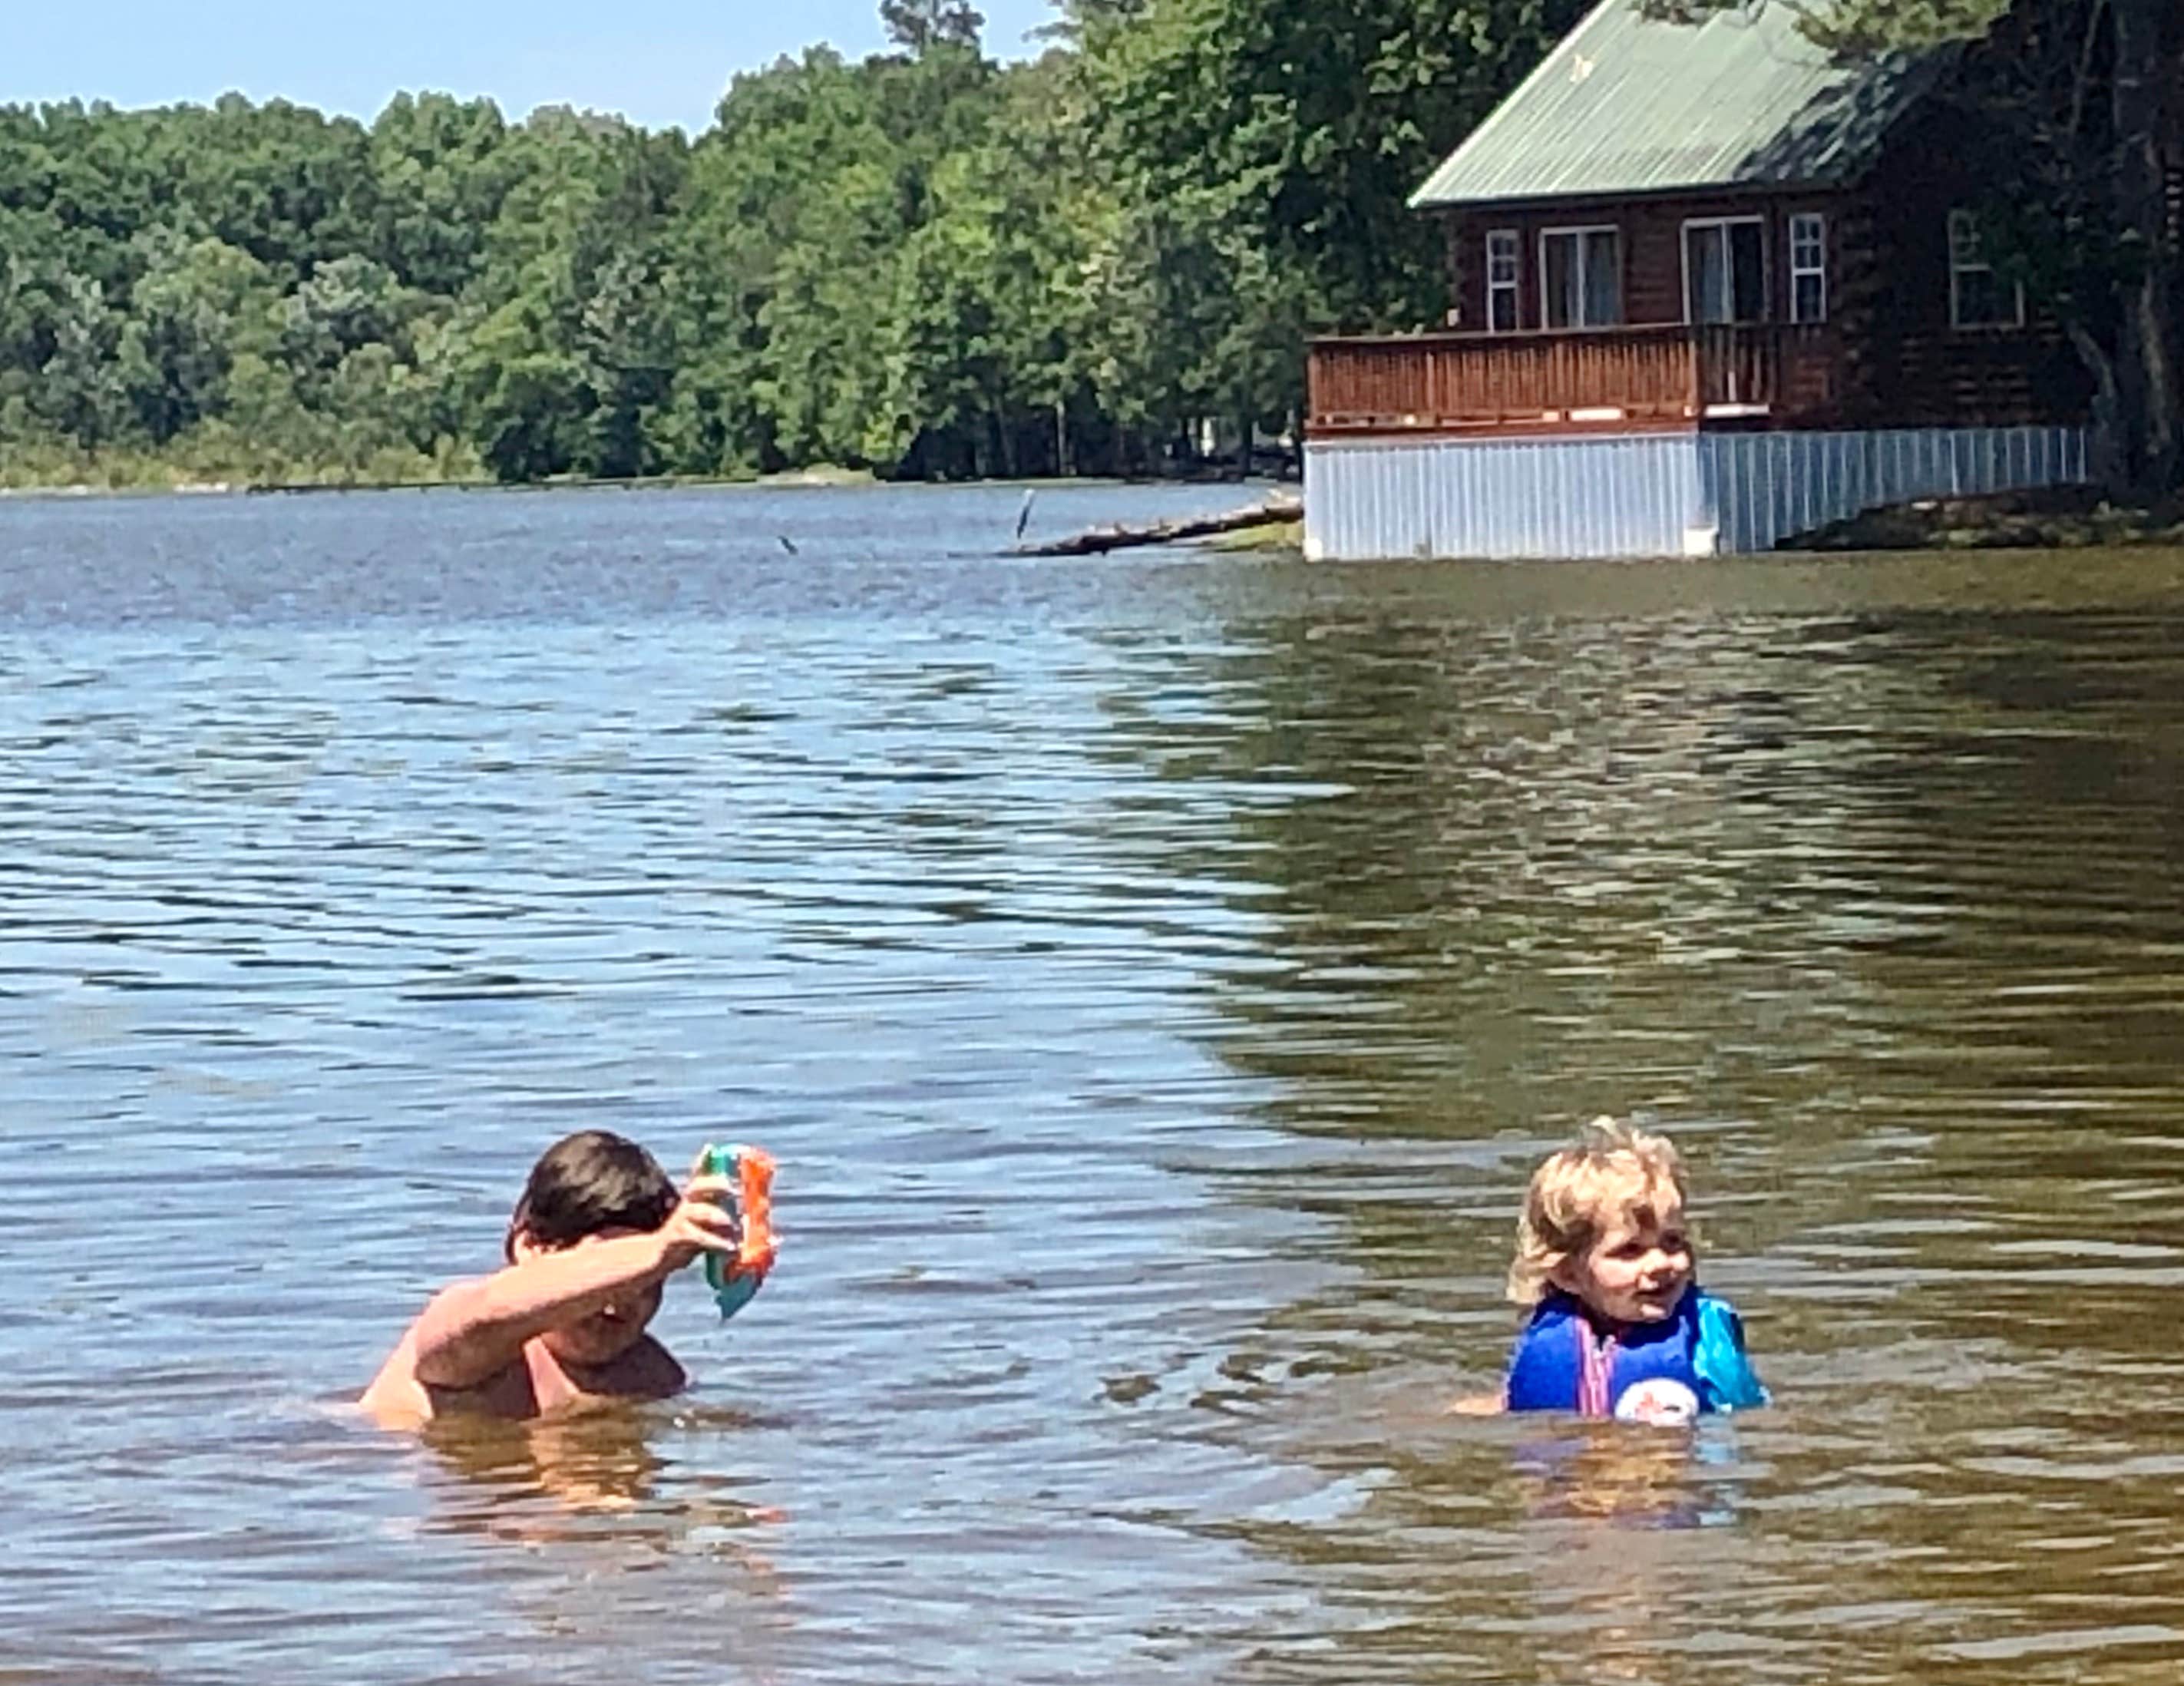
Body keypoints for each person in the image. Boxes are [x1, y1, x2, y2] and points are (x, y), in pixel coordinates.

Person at [362, 1130, 750, 1429]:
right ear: (531, 1247)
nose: (617, 1301)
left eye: (643, 1281)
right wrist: (655, 1251)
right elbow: (490, 1311)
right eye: (610, 1270)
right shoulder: (476, 1344)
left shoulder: (650, 1372)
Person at [1460, 1116, 1766, 1423]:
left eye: (1673, 1242)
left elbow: (1747, 1418)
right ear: (1568, 1275)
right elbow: (1509, 1403)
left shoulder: (1706, 1341)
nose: (1660, 1263)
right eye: (1630, 1251)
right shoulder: (1556, 1335)